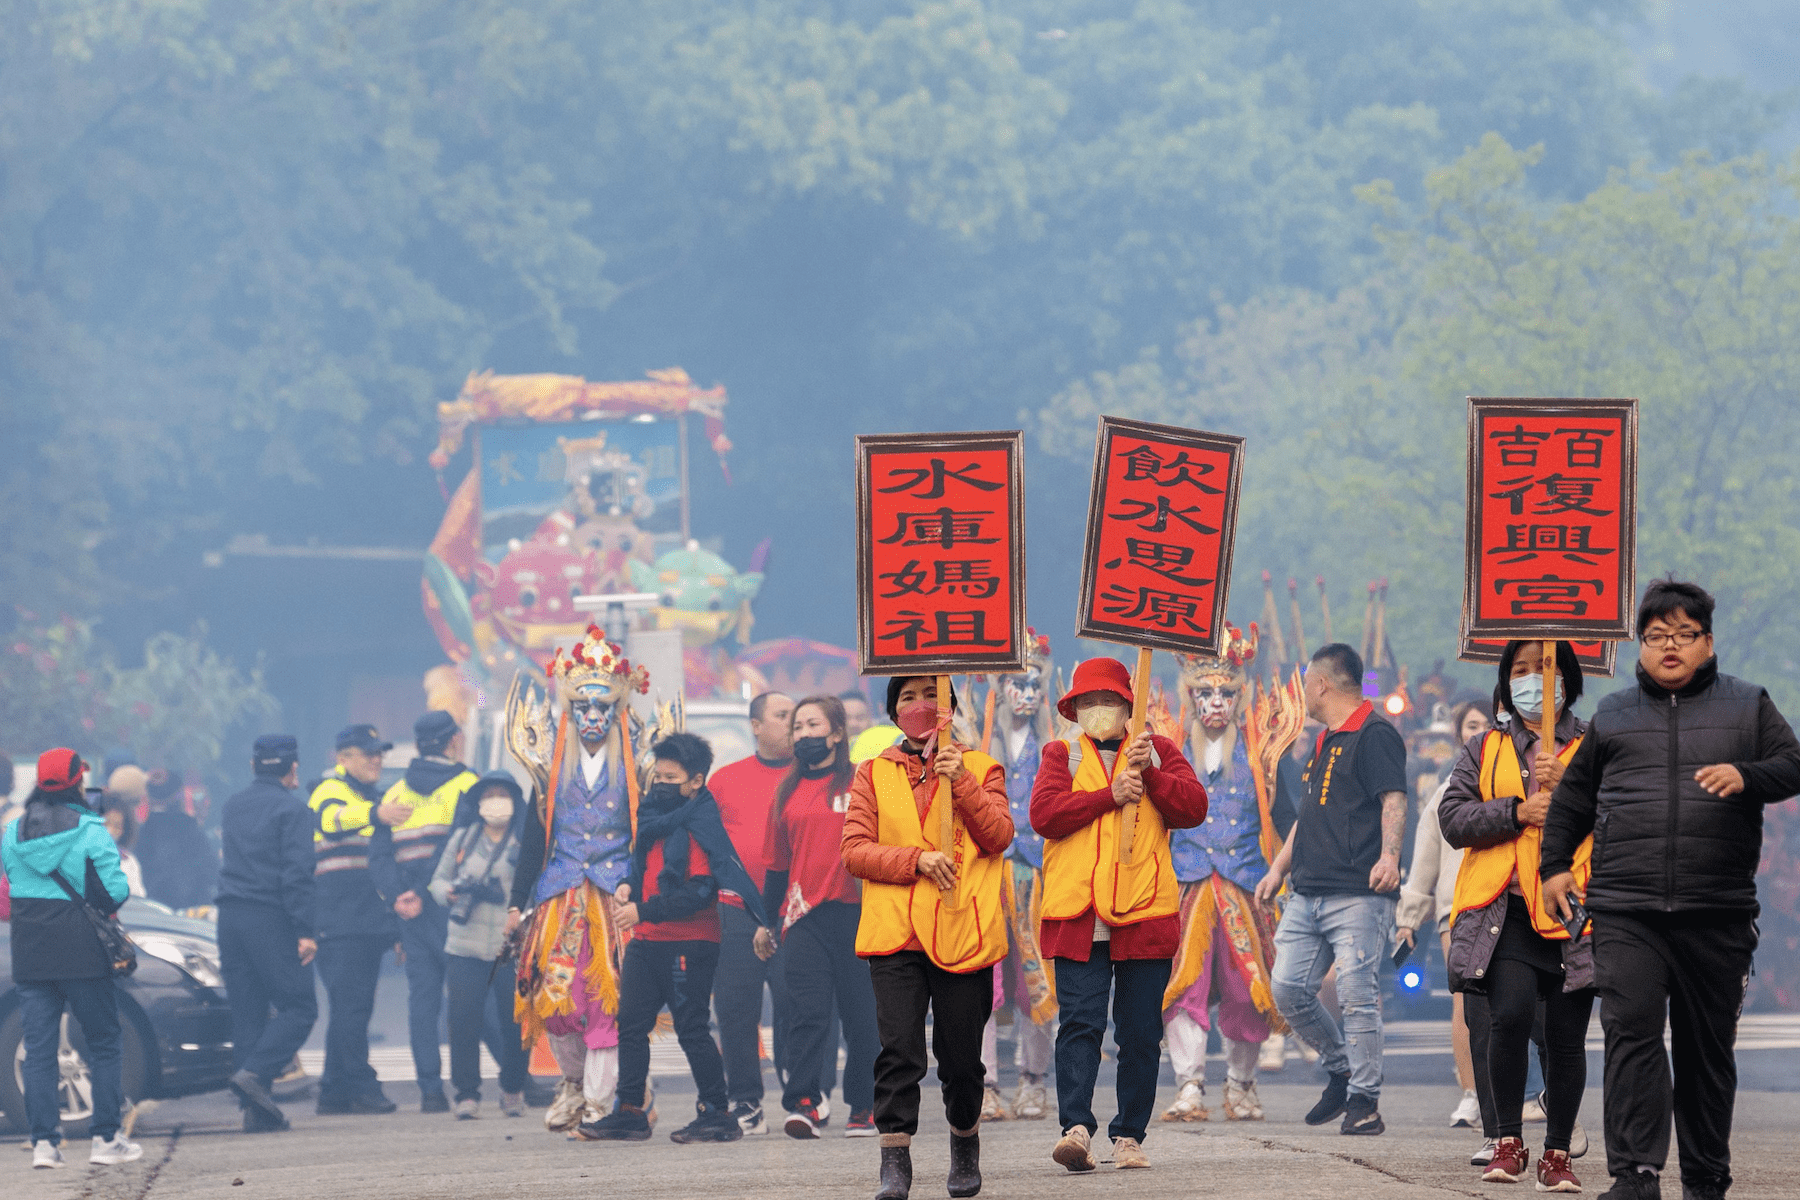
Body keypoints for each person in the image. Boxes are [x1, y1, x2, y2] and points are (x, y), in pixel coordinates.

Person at [1541, 579, 1800, 1200]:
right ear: (1642, 645)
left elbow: (1793, 766)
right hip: (1626, 908)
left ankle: (1707, 1177)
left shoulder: (1748, 706)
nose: (1670, 647)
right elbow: (1572, 801)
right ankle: (1635, 1174)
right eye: (1657, 636)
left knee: (1706, 1051)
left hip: (1717, 910)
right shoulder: (1615, 714)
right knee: (1631, 1033)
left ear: (1708, 643)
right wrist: (1554, 868)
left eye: (1685, 635)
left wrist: (1746, 774)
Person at [1032, 656, 1209, 1173]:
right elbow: (1044, 815)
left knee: (1137, 1032)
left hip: (1143, 912)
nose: (1099, 710)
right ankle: (1076, 1128)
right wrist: (1107, 796)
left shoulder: (1160, 751)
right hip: (1078, 912)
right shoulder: (1059, 754)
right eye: (1088, 702)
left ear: (1129, 706)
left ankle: (1129, 1134)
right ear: (1074, 709)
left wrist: (1150, 770)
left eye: (1108, 700)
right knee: (1080, 1024)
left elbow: (1193, 809)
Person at [843, 676, 1014, 1200]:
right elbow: (853, 850)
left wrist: (960, 780)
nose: (920, 706)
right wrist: (914, 860)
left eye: (930, 695)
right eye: (907, 697)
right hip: (895, 934)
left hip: (962, 928)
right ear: (893, 712)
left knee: (961, 1057)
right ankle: (895, 1160)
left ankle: (965, 1144)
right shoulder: (871, 773)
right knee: (898, 1050)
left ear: (952, 707)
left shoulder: (983, 767)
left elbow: (999, 836)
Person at [1440, 643, 1595, 1192]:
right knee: (1507, 1017)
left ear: (1568, 680)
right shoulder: (1484, 747)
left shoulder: (1595, 745)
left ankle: (1558, 1153)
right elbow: (1453, 817)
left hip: (1574, 910)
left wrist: (1574, 793)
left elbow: (1624, 814)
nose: (1534, 681)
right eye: (1521, 671)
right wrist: (1517, 810)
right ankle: (1508, 1140)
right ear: (1507, 684)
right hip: (1504, 909)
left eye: (1545, 669)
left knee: (1566, 1036)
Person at [582, 732, 777, 1142]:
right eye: (659, 774)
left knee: (691, 1028)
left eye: (672, 777)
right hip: (648, 940)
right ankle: (631, 1110)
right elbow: (641, 869)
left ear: (696, 781)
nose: (662, 783)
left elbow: (700, 892)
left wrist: (642, 910)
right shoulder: (652, 816)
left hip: (691, 941)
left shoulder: (700, 824)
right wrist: (626, 887)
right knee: (631, 1026)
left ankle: (717, 1113)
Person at [1255, 643, 1407, 1136]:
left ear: (1321, 684)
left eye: (1305, 683)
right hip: (1308, 889)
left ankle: (1365, 1100)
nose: (1302, 692)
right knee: (1288, 988)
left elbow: (1394, 798)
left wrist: (1390, 856)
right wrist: (1279, 867)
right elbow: (1308, 817)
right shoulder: (1325, 740)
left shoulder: (1375, 732)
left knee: (1356, 992)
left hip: (1358, 892)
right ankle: (1342, 1068)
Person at [509, 628, 649, 1135]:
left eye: (602, 707)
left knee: (606, 1000)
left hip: (614, 897)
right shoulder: (550, 767)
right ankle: (573, 1082)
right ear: (569, 709)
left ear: (617, 709)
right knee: (556, 999)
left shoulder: (638, 765)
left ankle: (600, 1100)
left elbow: (646, 835)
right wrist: (514, 902)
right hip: (558, 896)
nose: (593, 717)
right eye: (583, 706)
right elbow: (532, 841)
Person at [1161, 626, 1295, 1124]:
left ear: (1240, 698)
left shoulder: (1264, 754)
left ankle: (1240, 1085)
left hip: (1247, 883)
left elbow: (1290, 819)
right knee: (1183, 985)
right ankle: (1189, 1085)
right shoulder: (1168, 749)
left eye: (1225, 693)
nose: (1215, 703)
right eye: (1204, 693)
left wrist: (1282, 872)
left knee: (1248, 990)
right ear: (1190, 696)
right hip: (1186, 883)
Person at [1, 749, 142, 1168]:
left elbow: (9, 889)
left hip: (30, 953)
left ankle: (45, 1145)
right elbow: (115, 893)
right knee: (103, 1041)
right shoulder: (92, 830)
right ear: (77, 783)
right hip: (83, 953)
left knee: (39, 1049)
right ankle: (106, 1140)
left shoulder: (12, 832)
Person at [761, 695, 882, 1140]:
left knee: (862, 1018)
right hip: (803, 918)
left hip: (859, 915)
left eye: (813, 725)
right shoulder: (787, 791)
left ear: (835, 733)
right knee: (806, 1015)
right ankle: (805, 1103)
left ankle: (865, 1107)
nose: (803, 735)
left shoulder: (862, 781)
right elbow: (776, 864)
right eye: (796, 727)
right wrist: (766, 920)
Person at [373, 710, 479, 1113]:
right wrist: (420, 892)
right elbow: (457, 846)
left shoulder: (394, 794)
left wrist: (398, 896)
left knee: (423, 1001)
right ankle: (500, 1079)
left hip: (411, 915)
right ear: (453, 740)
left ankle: (430, 1092)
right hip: (452, 907)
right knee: (470, 997)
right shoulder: (468, 785)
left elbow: (379, 855)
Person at [216, 735, 320, 1133]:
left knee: (249, 1013)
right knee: (299, 1008)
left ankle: (256, 1113)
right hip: (269, 916)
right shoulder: (293, 810)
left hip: (230, 916)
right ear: (292, 767)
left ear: (253, 765)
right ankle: (256, 1075)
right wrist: (305, 929)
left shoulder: (232, 805)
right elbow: (297, 874)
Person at [1397, 700, 1490, 1132]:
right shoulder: (1446, 789)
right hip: (1457, 907)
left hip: (1513, 903)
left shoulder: (1520, 781)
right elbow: (1425, 859)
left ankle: (1525, 1093)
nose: (1480, 731)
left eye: (1488, 723)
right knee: (1465, 1004)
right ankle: (1471, 1094)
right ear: (1457, 734)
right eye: (1471, 725)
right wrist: (1410, 917)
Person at [707, 690, 797, 1135]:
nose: (792, 722)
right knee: (736, 1011)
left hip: (794, 912)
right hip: (736, 910)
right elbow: (704, 849)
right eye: (782, 715)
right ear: (756, 726)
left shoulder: (812, 778)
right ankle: (745, 1101)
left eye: (796, 715)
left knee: (795, 1007)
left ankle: (801, 1097)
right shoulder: (724, 781)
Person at [978, 631, 1057, 1122]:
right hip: (987, 874)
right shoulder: (977, 736)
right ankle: (984, 1082)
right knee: (982, 983)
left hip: (1039, 874)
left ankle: (1033, 1080)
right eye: (1016, 684)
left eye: (1034, 686)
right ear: (999, 685)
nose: (1026, 695)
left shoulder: (1058, 745)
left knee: (1039, 981)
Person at [308, 723, 401, 1116]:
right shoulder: (330, 789)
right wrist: (377, 813)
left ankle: (333, 1091)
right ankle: (362, 1085)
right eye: (368, 753)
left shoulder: (371, 795)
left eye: (380, 752)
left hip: (364, 921)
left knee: (352, 1006)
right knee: (351, 1007)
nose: (377, 759)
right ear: (343, 758)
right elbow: (330, 820)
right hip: (339, 921)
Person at [428, 771, 530, 1120]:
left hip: (510, 947)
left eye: (504, 794)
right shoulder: (463, 838)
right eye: (490, 795)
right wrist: (449, 892)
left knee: (515, 1022)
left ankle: (513, 1087)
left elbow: (539, 885)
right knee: (463, 1021)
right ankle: (467, 1093)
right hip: (464, 946)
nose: (496, 801)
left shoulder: (526, 841)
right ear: (479, 802)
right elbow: (437, 881)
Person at [136, 769, 219, 910]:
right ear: (178, 797)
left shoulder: (141, 834)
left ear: (149, 798)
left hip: (148, 913)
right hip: (188, 916)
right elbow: (211, 871)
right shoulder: (191, 831)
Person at [100, 794, 145, 898]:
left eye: (117, 826)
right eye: (105, 823)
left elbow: (138, 900)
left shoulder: (129, 862)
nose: (110, 831)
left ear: (124, 831)